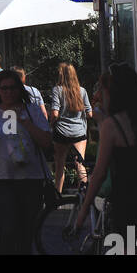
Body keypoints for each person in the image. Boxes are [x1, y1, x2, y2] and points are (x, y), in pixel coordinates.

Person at [0, 68, 52, 256]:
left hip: (31, 180)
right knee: (7, 231)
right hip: (1, 180)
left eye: (13, 88)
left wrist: (25, 122)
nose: (8, 92)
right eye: (4, 88)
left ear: (20, 89)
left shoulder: (32, 111)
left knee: (26, 234)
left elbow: (46, 143)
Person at [76, 62, 137, 241]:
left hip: (126, 203)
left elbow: (99, 173)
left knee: (128, 247)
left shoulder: (112, 126)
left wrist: (83, 212)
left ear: (113, 92)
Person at [49, 62, 92, 194]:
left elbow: (55, 113)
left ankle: (58, 194)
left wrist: (51, 124)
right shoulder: (82, 91)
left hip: (61, 132)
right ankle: (83, 195)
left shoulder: (57, 90)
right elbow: (90, 114)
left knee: (60, 165)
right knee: (80, 164)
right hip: (79, 132)